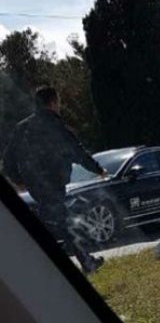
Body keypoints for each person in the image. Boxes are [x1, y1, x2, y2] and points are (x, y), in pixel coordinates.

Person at [1, 86, 107, 274]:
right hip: (52, 182)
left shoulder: (22, 127)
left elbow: (8, 159)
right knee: (63, 223)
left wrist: (18, 180)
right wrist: (98, 169)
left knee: (58, 221)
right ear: (52, 102)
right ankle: (85, 263)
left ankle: (86, 261)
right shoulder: (55, 125)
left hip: (35, 184)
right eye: (58, 102)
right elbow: (78, 152)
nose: (59, 106)